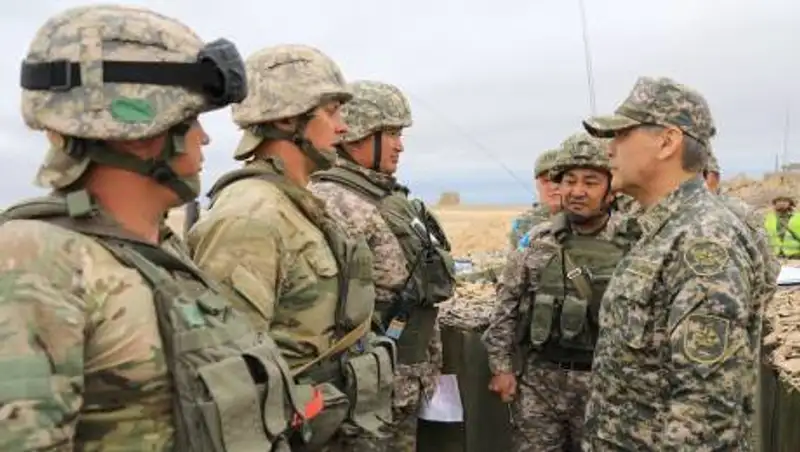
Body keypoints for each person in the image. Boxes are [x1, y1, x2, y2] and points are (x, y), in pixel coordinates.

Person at [0, 5, 320, 451]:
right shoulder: (37, 261)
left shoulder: (159, 252)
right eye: (192, 120)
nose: (204, 138)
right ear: (144, 132)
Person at [186, 45, 395, 451]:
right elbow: (231, 377)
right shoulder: (250, 217)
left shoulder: (296, 203)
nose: (343, 128)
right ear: (287, 119)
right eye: (331, 112)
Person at [580, 75, 769, 450]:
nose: (609, 150)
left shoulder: (704, 239)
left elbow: (705, 414)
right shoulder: (664, 229)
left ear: (667, 142)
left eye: (621, 135)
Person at [310, 80, 456, 452]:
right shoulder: (330, 200)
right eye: (390, 133)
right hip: (363, 392)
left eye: (399, 134)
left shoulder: (388, 197)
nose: (400, 145)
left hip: (403, 379)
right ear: (355, 134)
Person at [483, 132, 634, 451]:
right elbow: (506, 305)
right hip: (541, 385)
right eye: (569, 181)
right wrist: (501, 367)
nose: (577, 191)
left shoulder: (634, 243)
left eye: (590, 182)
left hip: (607, 387)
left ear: (611, 190)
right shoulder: (538, 241)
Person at [508, 149, 562, 250]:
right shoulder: (524, 223)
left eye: (559, 180)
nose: (554, 186)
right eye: (546, 181)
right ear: (537, 185)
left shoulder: (585, 218)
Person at [764, 194, 800, 258]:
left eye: (784, 201)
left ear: (790, 203)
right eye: (779, 201)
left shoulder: (798, 217)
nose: (781, 203)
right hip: (776, 256)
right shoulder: (769, 218)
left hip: (796, 255)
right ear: (774, 204)